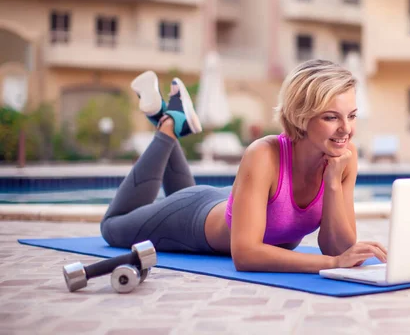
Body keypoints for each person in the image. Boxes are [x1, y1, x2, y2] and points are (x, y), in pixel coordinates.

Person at [100, 59, 387, 273]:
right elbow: (246, 254)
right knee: (112, 228)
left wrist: (334, 183)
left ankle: (170, 117)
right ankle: (167, 125)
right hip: (190, 220)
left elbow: (338, 247)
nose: (346, 129)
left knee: (178, 195)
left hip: (224, 202)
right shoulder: (264, 155)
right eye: (331, 118)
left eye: (352, 116)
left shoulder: (344, 157)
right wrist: (332, 263)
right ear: (301, 116)